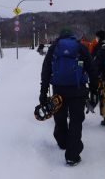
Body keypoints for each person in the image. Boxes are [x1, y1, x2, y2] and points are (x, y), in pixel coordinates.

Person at [39, 28, 98, 166]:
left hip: (59, 90)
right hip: (78, 91)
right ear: (72, 37)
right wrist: (94, 90)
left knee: (60, 118)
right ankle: (72, 155)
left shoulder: (54, 48)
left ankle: (63, 142)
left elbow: (46, 70)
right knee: (76, 121)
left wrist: (43, 92)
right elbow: (92, 69)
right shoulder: (80, 47)